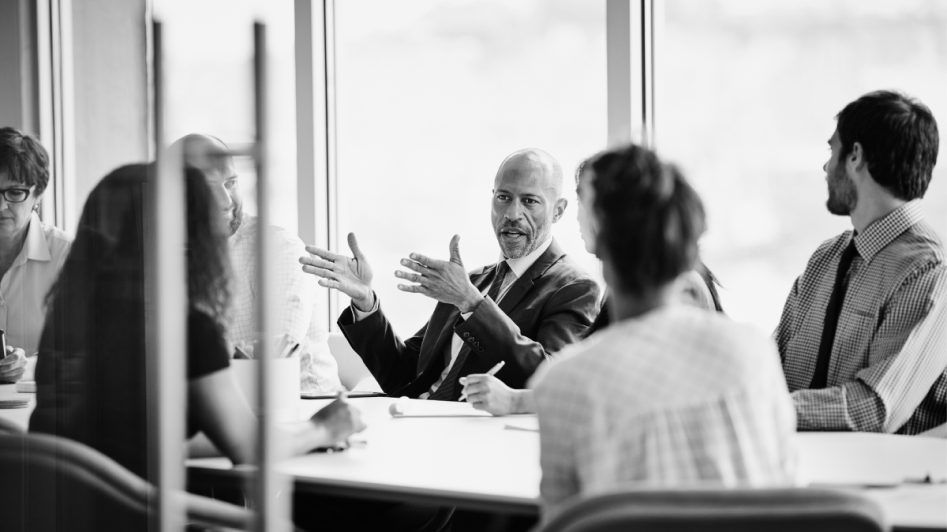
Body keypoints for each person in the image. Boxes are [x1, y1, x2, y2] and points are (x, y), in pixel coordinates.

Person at [30, 164, 364, 531]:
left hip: (67, 515)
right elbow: (247, 449)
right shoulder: (185, 326)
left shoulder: (69, 315)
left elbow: (133, 436)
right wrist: (322, 429)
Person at [530, 144, 797, 520]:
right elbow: (786, 488)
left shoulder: (564, 384)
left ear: (602, 239)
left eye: (581, 203)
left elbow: (563, 521)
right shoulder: (753, 350)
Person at [300, 148, 601, 400]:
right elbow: (403, 375)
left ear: (558, 211)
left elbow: (550, 383)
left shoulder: (574, 287)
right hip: (416, 423)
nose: (512, 213)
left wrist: (471, 303)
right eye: (503, 197)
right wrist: (366, 303)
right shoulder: (472, 281)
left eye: (530, 201)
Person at [461, 154, 725, 415]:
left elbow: (642, 392)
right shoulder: (630, 285)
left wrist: (514, 401)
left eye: (583, 202)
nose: (577, 217)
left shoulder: (680, 287)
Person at [775, 90, 947, 434]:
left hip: (880, 481)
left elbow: (875, 407)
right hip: (799, 471)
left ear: (855, 156)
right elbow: (771, 368)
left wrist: (762, 409)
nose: (826, 167)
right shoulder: (825, 259)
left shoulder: (929, 271)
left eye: (832, 150)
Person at [174, 134, 343, 394]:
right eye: (208, 187)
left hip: (305, 408)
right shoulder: (165, 252)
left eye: (231, 182)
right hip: (219, 410)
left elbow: (273, 357)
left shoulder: (277, 248)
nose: (226, 201)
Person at [0, 127, 71, 383]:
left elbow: (83, 350)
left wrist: (26, 366)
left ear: (37, 194)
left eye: (15, 192)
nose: (1, 206)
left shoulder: (66, 255)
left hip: (38, 410)